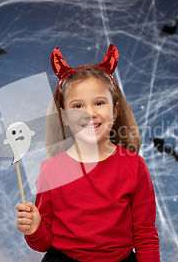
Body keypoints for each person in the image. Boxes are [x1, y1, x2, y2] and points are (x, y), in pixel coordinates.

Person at [16, 44, 160, 262]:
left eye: (99, 103)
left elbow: (146, 236)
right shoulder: (51, 170)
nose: (90, 113)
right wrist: (34, 229)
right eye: (77, 106)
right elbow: (45, 243)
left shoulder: (135, 166)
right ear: (63, 116)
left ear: (114, 110)